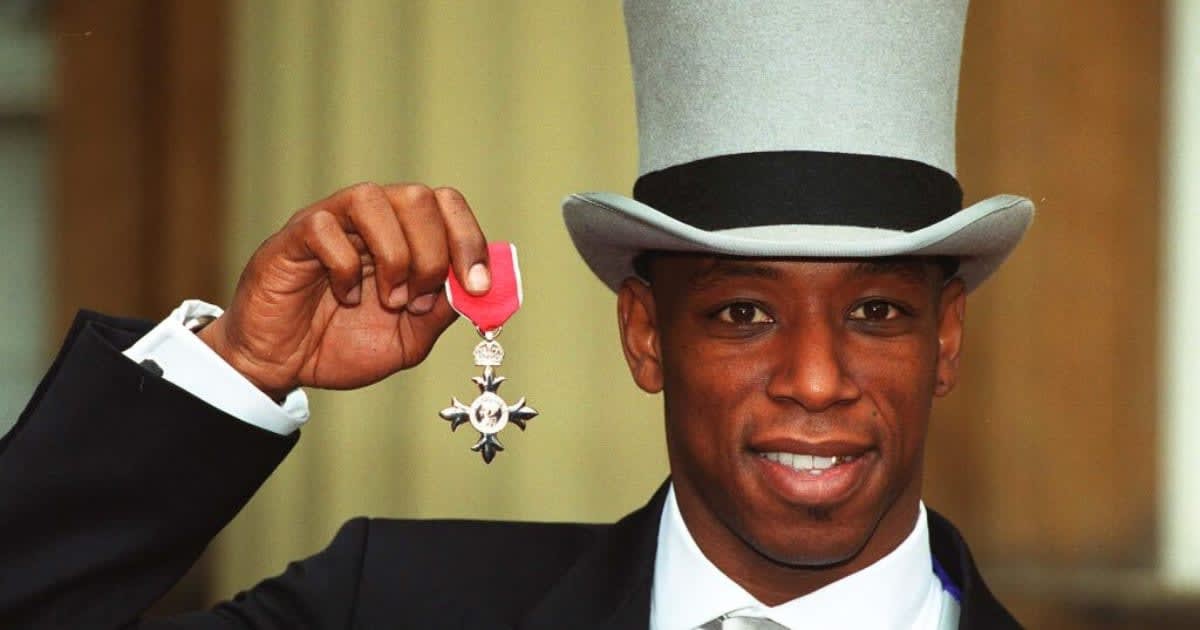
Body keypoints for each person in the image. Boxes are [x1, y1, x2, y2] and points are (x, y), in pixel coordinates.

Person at [0, 1, 1033, 628]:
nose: (815, 379)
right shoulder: (393, 603)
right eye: (744, 313)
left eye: (877, 311)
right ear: (644, 334)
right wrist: (238, 366)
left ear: (945, 339)